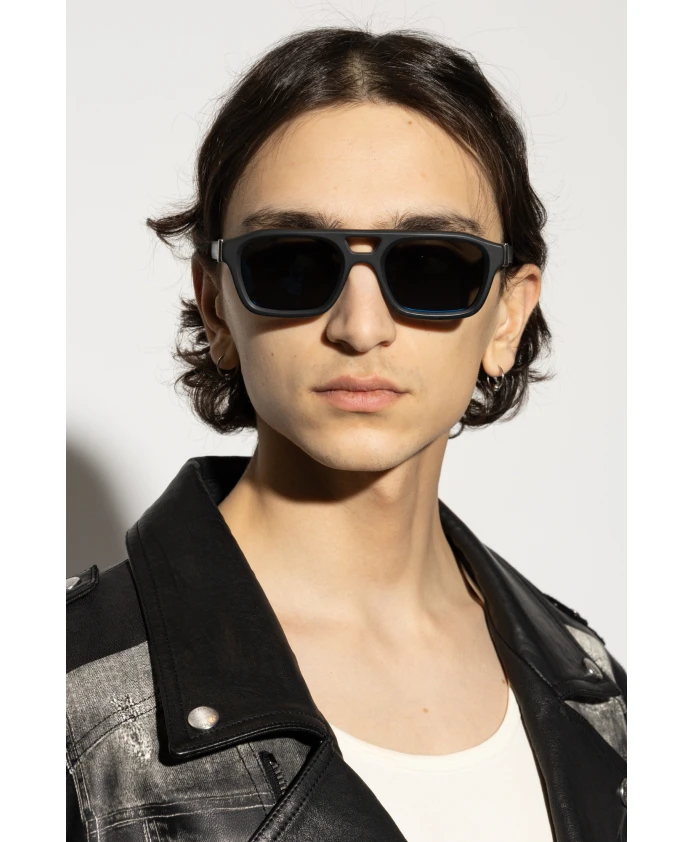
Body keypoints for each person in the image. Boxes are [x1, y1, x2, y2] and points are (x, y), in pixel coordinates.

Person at [66, 25, 626, 842]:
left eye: (430, 264)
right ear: (217, 305)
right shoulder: (61, 692)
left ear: (506, 316)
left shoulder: (594, 690)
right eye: (291, 262)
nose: (360, 328)